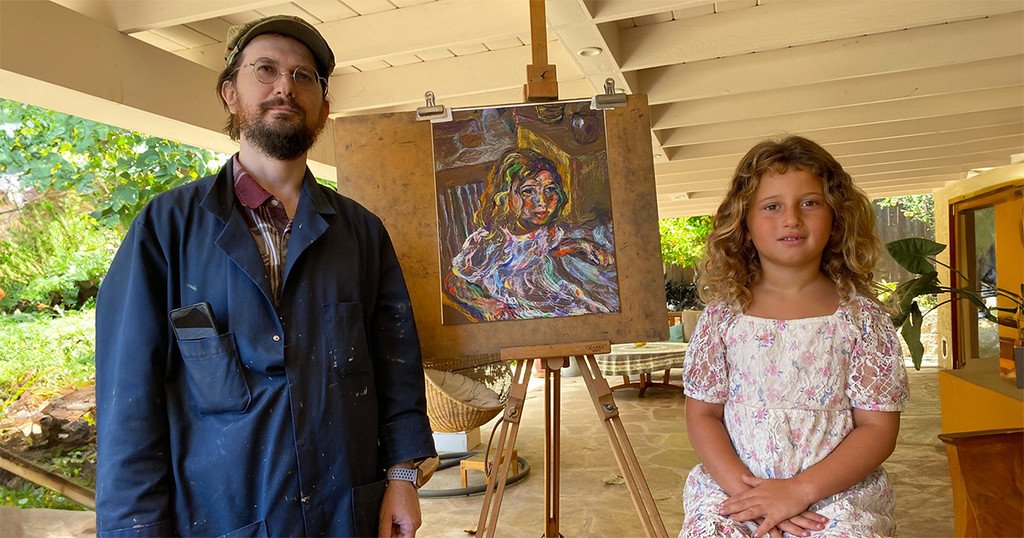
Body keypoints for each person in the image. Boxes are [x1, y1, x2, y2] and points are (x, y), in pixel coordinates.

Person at [95, 15, 436, 537]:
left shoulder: (362, 234)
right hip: (223, 517)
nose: (285, 87)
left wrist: (403, 476)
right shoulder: (164, 231)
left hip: (344, 515)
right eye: (266, 69)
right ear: (230, 92)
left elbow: (397, 368)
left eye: (305, 77)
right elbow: (129, 405)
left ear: (324, 105)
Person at [679, 135, 909, 538]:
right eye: (771, 206)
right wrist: (751, 495)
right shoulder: (721, 319)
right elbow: (703, 415)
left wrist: (798, 492)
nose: (791, 218)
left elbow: (877, 429)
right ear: (745, 226)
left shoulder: (863, 320)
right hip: (737, 489)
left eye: (809, 202)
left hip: (833, 497)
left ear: (836, 216)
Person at [443, 147, 620, 322]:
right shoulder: (492, 241)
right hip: (524, 312)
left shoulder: (545, 231)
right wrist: (487, 304)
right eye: (528, 191)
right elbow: (454, 282)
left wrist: (580, 245)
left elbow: (546, 249)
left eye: (550, 189)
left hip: (557, 296)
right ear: (505, 196)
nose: (542, 201)